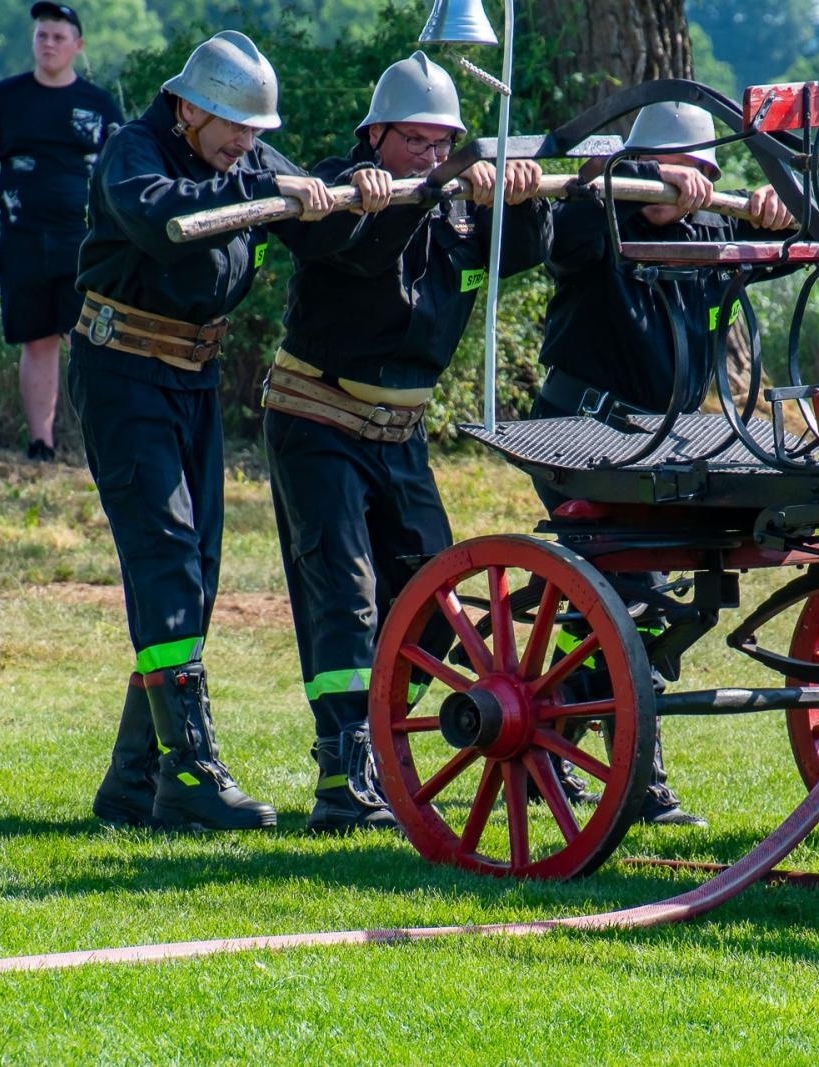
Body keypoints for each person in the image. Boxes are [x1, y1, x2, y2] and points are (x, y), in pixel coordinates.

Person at [262, 52, 550, 834]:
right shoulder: (338, 191)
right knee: (345, 595)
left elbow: (522, 253)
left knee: (436, 600)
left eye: (442, 142)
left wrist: (520, 201)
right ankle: (343, 768)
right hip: (318, 421)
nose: (428, 156)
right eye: (414, 141)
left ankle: (379, 735)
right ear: (375, 135)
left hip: (400, 435)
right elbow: (353, 251)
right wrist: (411, 194)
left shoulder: (459, 209)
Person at [74, 31, 337, 831]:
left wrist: (350, 189)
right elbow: (162, 221)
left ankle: (134, 782)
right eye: (234, 127)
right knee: (167, 560)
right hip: (123, 373)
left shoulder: (241, 158)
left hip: (193, 377)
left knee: (197, 571)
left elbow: (316, 215)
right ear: (188, 108)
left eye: (256, 132)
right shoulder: (133, 152)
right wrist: (262, 189)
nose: (245, 144)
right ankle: (189, 768)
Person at [528, 101, 796, 827]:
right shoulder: (595, 218)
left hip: (657, 444)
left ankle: (555, 721)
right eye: (671, 172)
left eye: (700, 173)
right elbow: (566, 230)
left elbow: (802, 225)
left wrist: (776, 208)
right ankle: (639, 775)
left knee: (642, 603)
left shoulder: (711, 229)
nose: (688, 187)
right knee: (634, 596)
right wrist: (628, 186)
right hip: (576, 433)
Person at [0, 3, 123, 462]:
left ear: (78, 45)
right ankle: (42, 444)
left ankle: (106, 443)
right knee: (37, 341)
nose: (49, 44)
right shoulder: (6, 97)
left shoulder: (99, 105)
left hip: (84, 244)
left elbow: (122, 178)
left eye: (58, 37)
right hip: (21, 240)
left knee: (87, 341)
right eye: (42, 35)